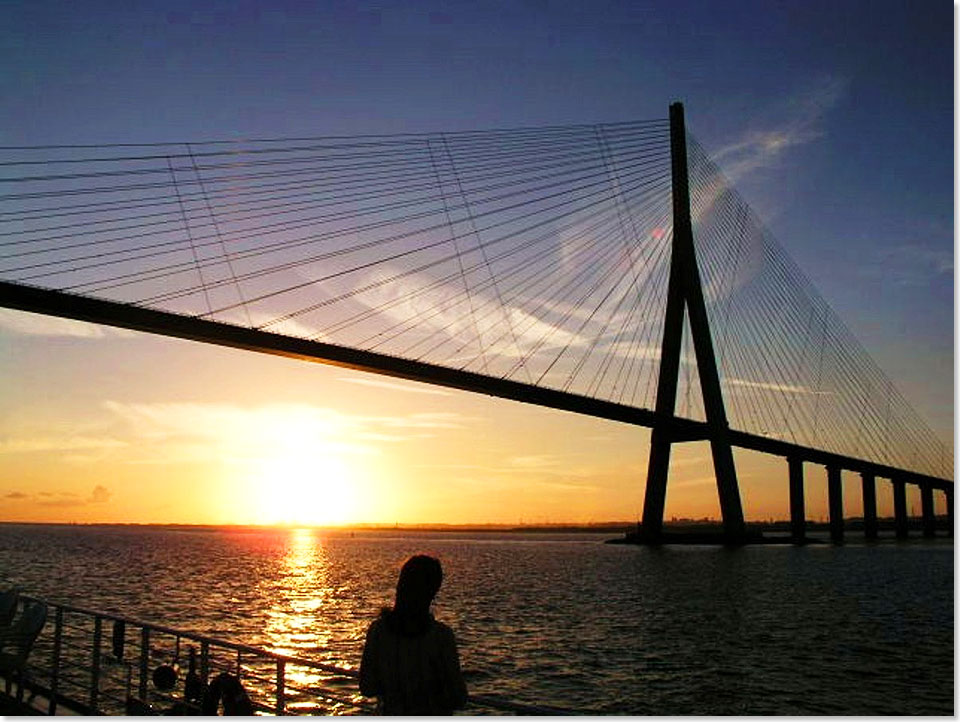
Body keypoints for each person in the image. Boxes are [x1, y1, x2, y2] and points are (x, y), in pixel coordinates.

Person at [359, 555, 467, 715]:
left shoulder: (378, 631)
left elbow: (367, 687)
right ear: (433, 591)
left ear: (401, 585)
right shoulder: (441, 637)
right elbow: (458, 698)